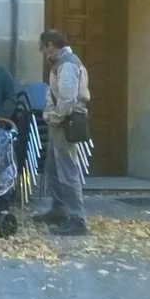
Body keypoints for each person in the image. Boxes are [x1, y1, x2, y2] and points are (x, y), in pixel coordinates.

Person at [34, 29, 91, 236]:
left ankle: (77, 219)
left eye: (43, 47)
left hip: (66, 122)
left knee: (67, 170)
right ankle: (58, 210)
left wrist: (53, 117)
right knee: (54, 168)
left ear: (50, 45)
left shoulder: (67, 64)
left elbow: (67, 100)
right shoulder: (61, 63)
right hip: (61, 122)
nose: (43, 52)